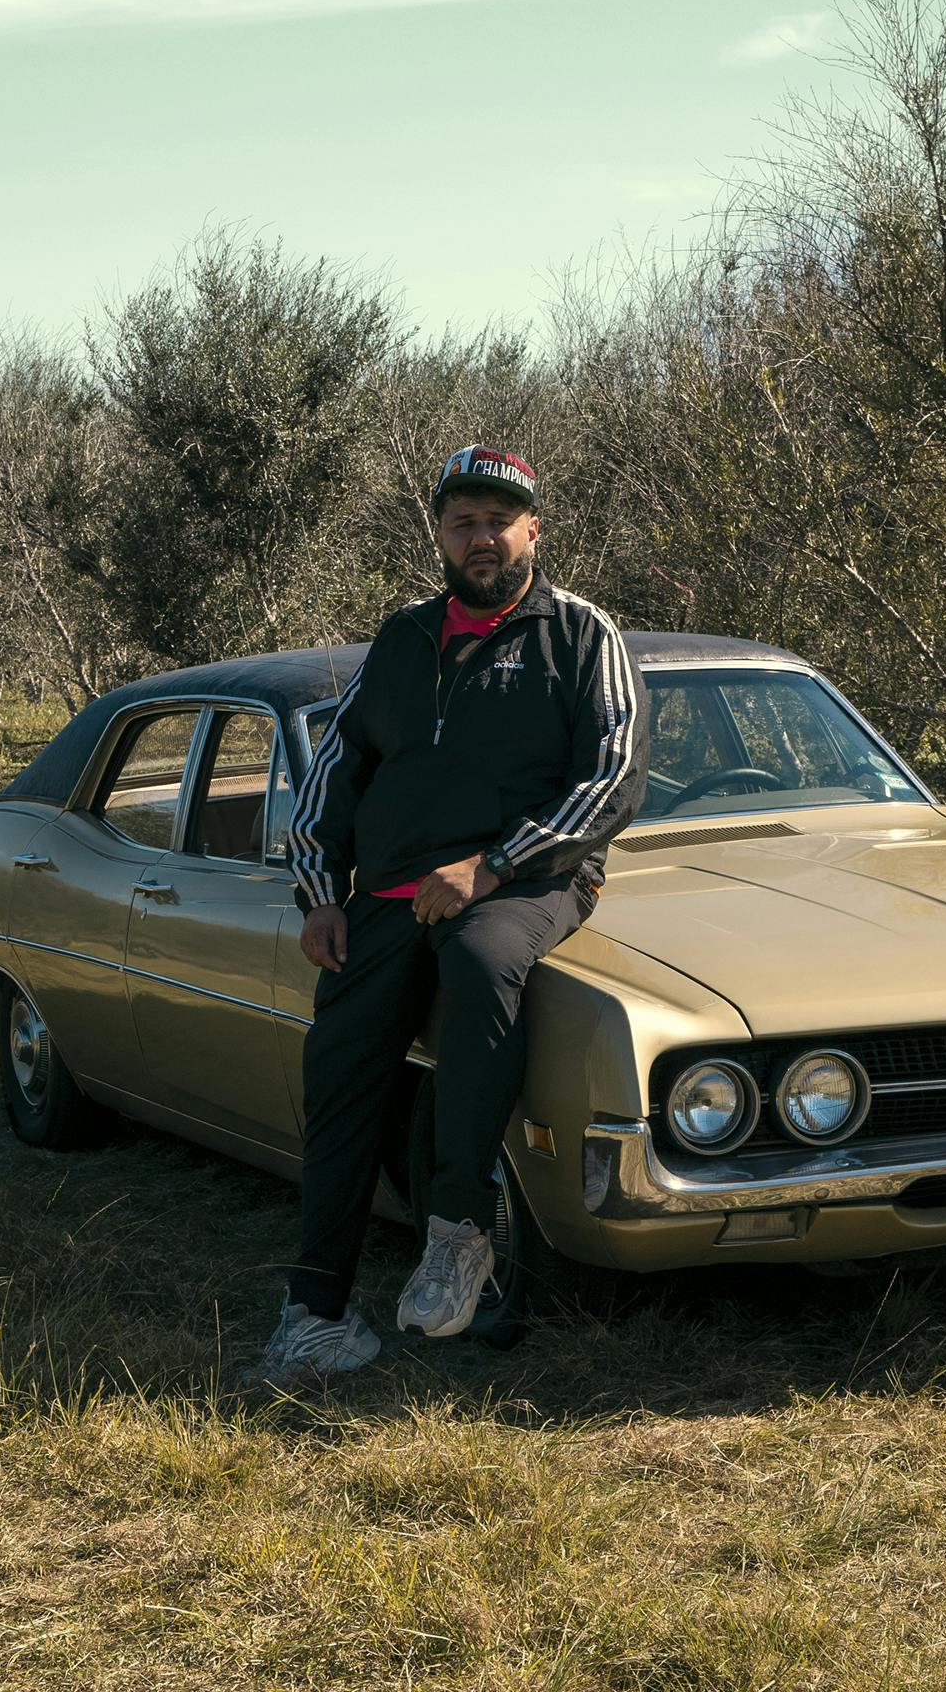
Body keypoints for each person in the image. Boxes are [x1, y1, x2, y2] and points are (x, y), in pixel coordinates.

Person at [257, 444, 646, 1381]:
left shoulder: (582, 634)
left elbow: (614, 776)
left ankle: (460, 1224)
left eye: (499, 521)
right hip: (387, 898)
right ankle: (315, 1312)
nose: (482, 538)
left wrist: (494, 863)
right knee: (341, 1074)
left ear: (533, 532)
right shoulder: (399, 640)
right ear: (439, 533)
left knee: (479, 964)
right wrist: (318, 896)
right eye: (463, 521)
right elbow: (333, 780)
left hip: (531, 882)